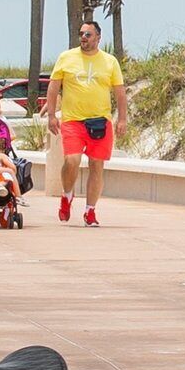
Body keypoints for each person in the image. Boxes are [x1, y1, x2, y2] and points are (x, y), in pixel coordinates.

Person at [47, 17, 127, 227]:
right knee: (72, 160)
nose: (83, 38)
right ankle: (67, 196)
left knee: (96, 166)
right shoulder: (66, 57)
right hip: (73, 120)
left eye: (88, 34)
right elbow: (54, 86)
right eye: (81, 34)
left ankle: (90, 211)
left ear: (98, 38)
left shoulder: (110, 62)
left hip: (101, 122)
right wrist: (51, 115)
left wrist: (122, 120)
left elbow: (120, 93)